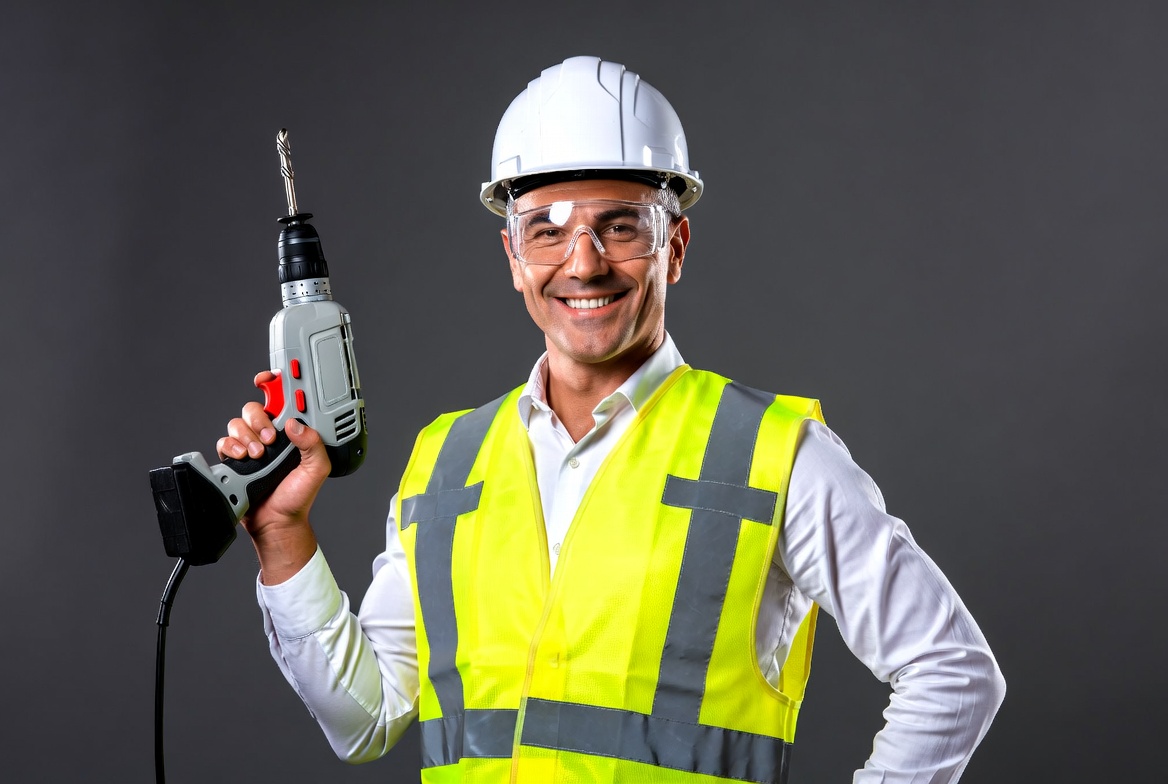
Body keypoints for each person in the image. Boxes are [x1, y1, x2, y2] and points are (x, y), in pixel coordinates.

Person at [219, 56, 1005, 783]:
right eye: (548, 229)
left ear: (676, 246)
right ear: (513, 259)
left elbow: (953, 673)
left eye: (621, 225)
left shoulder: (776, 454)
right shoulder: (446, 462)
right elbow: (365, 719)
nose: (584, 261)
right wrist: (284, 538)